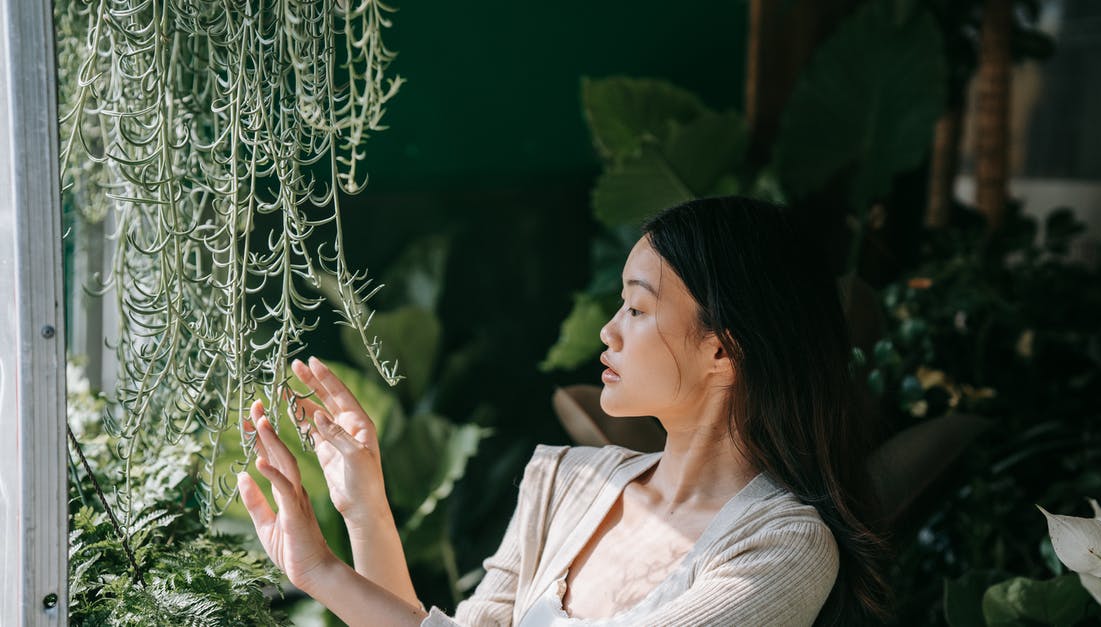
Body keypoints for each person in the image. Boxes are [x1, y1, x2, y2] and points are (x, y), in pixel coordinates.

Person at [238, 196, 893, 626]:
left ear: (722, 351)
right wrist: (364, 507)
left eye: (637, 308)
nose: (608, 330)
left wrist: (321, 572)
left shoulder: (782, 544)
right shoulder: (565, 481)